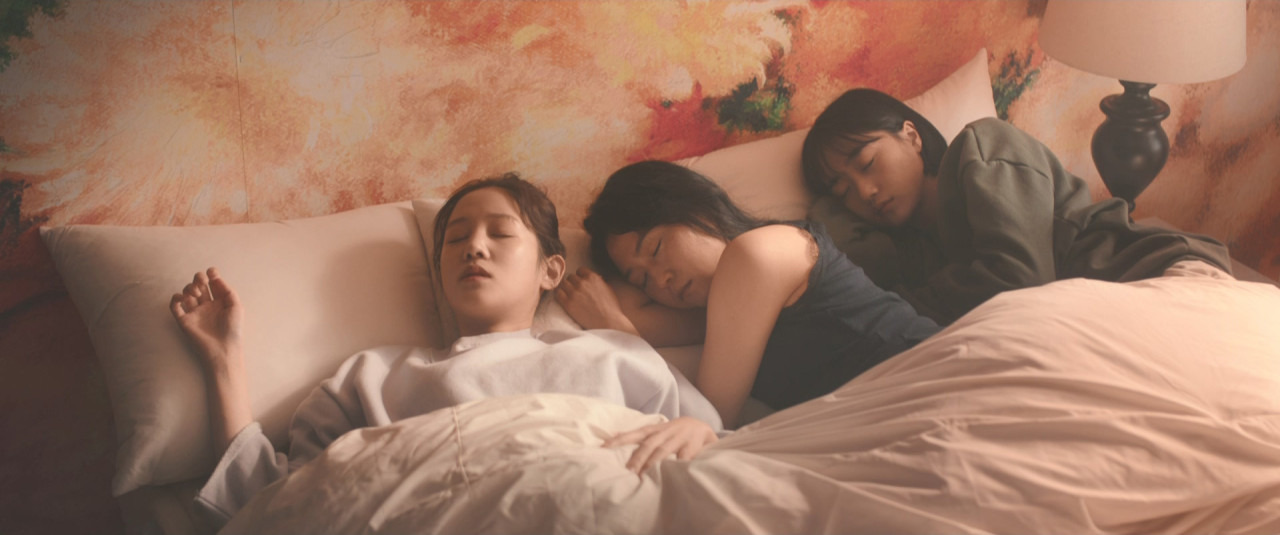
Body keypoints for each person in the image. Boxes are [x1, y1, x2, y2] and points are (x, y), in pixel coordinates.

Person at [171, 174, 722, 530]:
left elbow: (722, 440)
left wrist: (699, 434)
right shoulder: (372, 376)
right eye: (456, 239)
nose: (474, 247)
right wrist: (223, 360)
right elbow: (273, 506)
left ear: (551, 270)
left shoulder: (614, 355)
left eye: (499, 234)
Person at [554, 161, 941, 428]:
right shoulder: (717, 308)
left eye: (656, 248)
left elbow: (710, 418)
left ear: (698, 209)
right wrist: (617, 317)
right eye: (642, 280)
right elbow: (629, 312)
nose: (662, 281)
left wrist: (617, 330)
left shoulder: (758, 254)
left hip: (930, 382)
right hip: (890, 414)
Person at [799, 88, 1234, 325]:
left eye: (867, 164)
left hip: (1152, 274)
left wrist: (901, 303)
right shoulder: (918, 250)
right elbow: (835, 254)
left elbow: (1020, 279)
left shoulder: (982, 147)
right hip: (1090, 317)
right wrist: (826, 208)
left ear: (911, 136)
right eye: (843, 191)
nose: (865, 192)